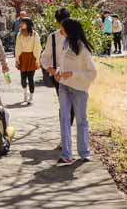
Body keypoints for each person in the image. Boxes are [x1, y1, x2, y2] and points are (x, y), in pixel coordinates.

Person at [41, 17, 97, 164]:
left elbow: (92, 74)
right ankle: (66, 154)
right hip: (64, 86)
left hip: (79, 89)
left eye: (63, 29)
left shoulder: (84, 49)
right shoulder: (65, 44)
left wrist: (73, 74)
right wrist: (59, 72)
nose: (60, 30)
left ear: (70, 30)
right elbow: (64, 65)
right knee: (64, 119)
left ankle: (84, 153)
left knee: (81, 121)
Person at [14, 17, 42, 104]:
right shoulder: (19, 34)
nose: (21, 24)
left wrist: (37, 60)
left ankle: (31, 97)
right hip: (23, 57)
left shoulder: (34, 34)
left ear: (28, 24)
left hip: (31, 57)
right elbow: (17, 47)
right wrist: (17, 59)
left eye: (23, 23)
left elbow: (37, 48)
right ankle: (25, 94)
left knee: (30, 78)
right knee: (23, 78)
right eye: (21, 23)